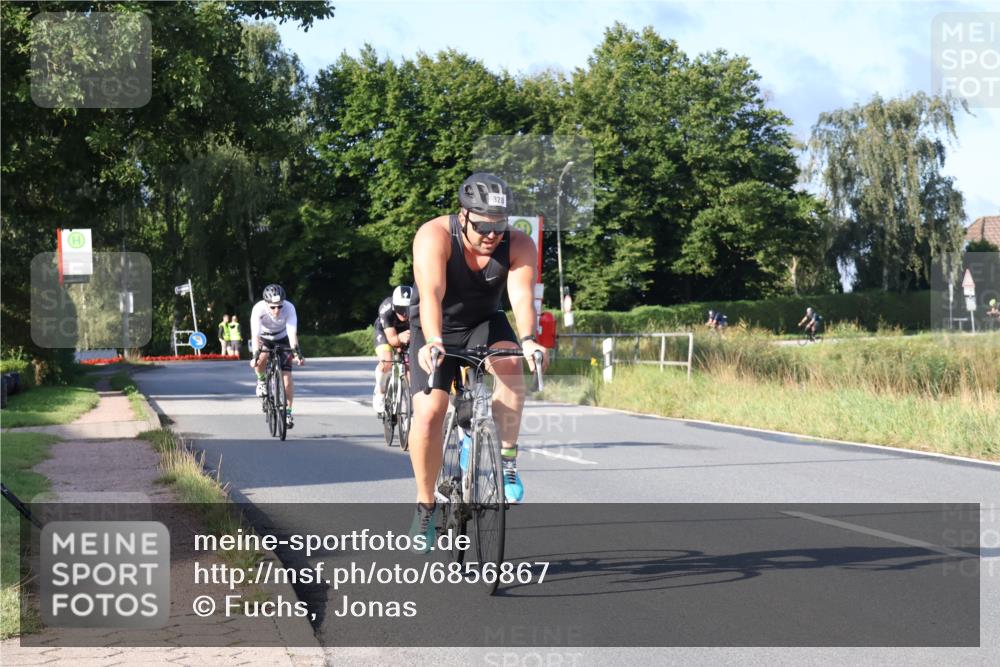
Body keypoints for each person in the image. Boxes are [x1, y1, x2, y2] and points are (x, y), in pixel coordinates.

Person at [407, 172, 549, 548]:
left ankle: (508, 461)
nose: (492, 234)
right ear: (463, 215)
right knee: (429, 414)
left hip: (485, 322)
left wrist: (531, 339)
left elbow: (520, 296)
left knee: (511, 366)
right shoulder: (434, 236)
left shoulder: (518, 244)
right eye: (483, 225)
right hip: (436, 326)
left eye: (499, 226)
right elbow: (432, 293)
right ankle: (425, 507)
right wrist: (433, 341)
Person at [249, 284, 304, 429]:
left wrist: (297, 354)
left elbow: (292, 333)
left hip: (283, 338)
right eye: (273, 307)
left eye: (279, 306)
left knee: (286, 380)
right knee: (260, 359)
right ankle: (261, 381)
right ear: (266, 304)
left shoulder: (289, 308)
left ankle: (288, 413)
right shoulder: (258, 309)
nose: (277, 310)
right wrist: (255, 355)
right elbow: (255, 335)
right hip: (264, 339)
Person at [372, 285, 413, 416]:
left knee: (412, 365)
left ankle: (410, 399)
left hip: (406, 333)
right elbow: (392, 339)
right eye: (401, 309)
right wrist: (399, 339)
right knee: (387, 361)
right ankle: (380, 391)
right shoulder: (386, 309)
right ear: (394, 306)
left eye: (408, 309)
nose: (405, 314)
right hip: (386, 332)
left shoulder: (419, 308)